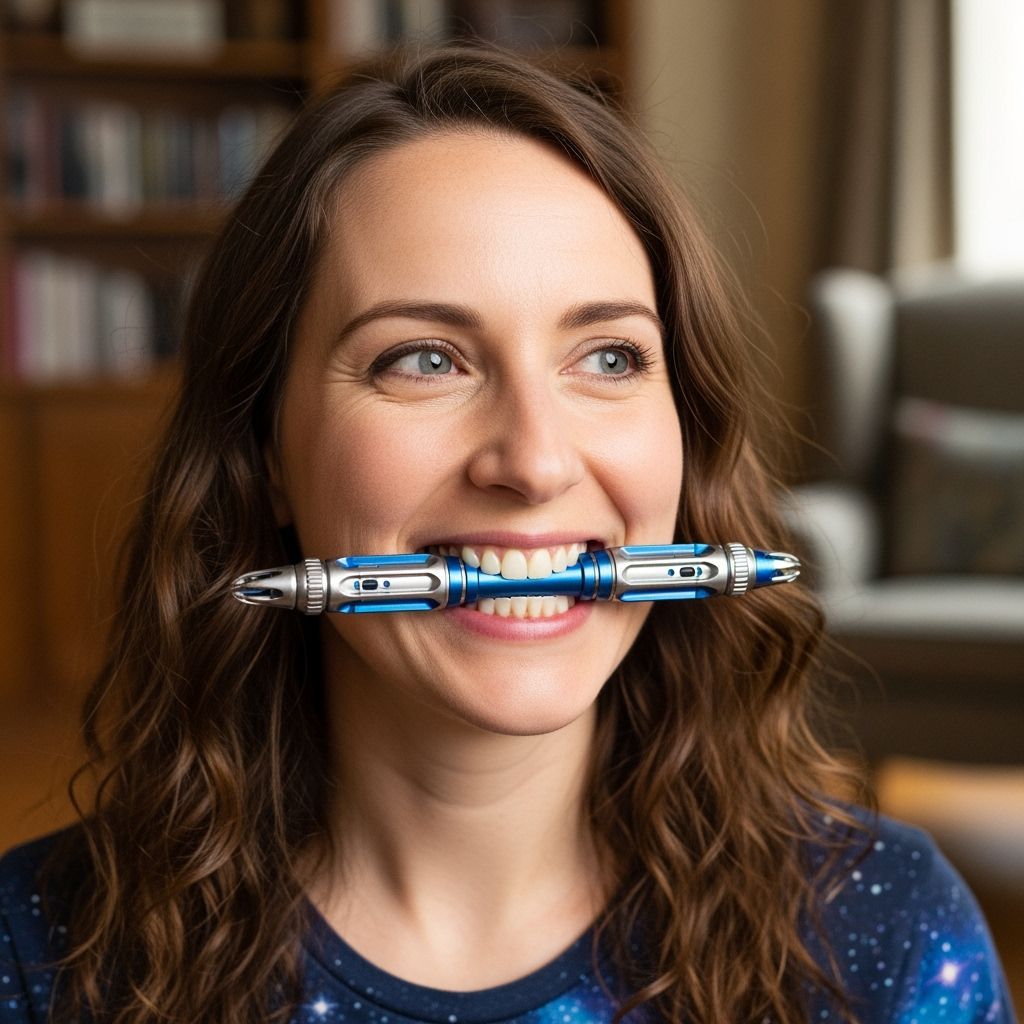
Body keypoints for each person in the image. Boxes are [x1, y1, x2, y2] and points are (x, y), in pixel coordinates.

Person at [0, 41, 1015, 1024]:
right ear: (265, 448)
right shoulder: (37, 955)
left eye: (609, 357)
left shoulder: (888, 936)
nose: (533, 462)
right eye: (425, 359)